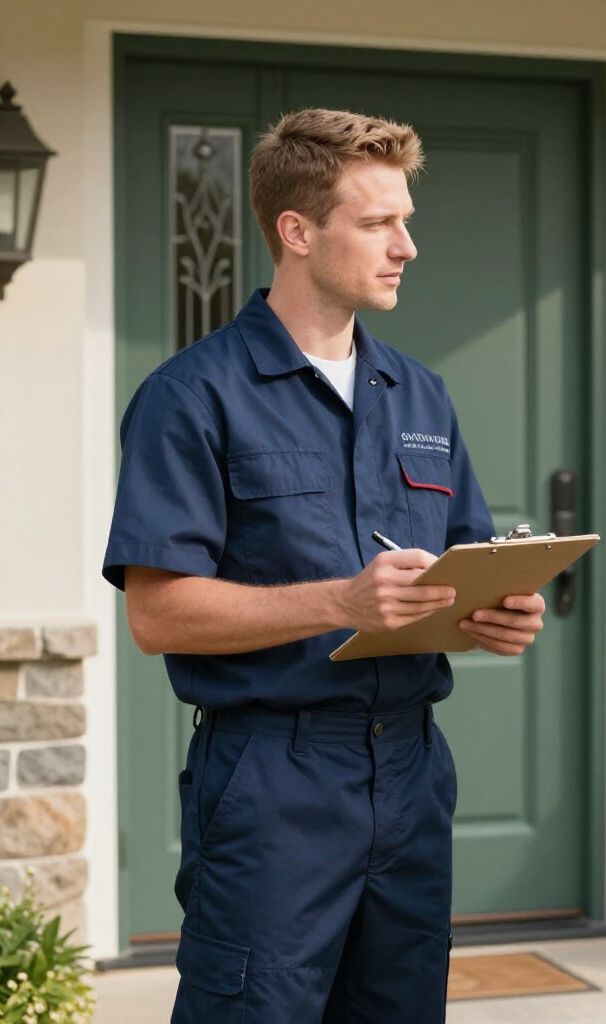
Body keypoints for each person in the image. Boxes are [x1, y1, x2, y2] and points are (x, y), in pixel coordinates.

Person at [102, 108, 546, 1023]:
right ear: (297, 232)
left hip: (413, 776)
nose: (407, 247)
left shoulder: (421, 393)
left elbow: (449, 575)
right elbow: (158, 617)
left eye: (406, 220)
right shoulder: (191, 397)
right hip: (274, 784)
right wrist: (342, 600)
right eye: (379, 223)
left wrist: (491, 616)